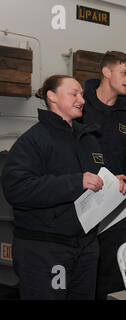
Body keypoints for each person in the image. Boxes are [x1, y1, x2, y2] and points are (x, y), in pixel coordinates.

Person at [1, 75, 105, 299]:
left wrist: (114, 184)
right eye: (74, 93)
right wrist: (76, 182)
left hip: (85, 247)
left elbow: (94, 178)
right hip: (45, 250)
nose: (82, 99)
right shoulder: (34, 140)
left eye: (82, 94)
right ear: (52, 97)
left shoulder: (88, 138)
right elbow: (17, 188)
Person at [79, 51, 126, 299]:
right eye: (124, 73)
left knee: (111, 272)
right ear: (106, 72)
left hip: (116, 207)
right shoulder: (81, 107)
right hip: (80, 204)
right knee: (82, 271)